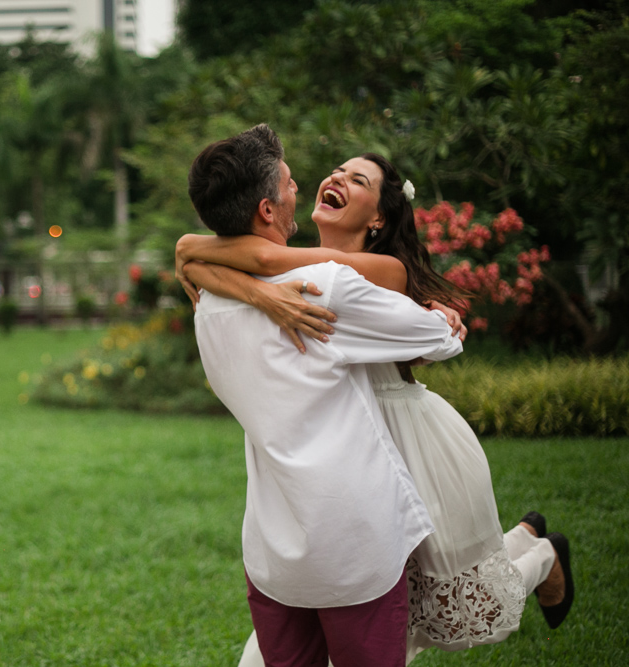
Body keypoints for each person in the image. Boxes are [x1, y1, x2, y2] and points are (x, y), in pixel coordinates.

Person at [176, 149, 574, 665]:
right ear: (268, 209)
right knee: (408, 614)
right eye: (328, 173)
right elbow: (250, 262)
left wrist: (440, 318)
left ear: (380, 215)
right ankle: (528, 537)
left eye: (355, 178)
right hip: (345, 468)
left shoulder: (353, 275)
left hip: (409, 441)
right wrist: (261, 295)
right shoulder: (303, 280)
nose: (330, 178)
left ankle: (541, 554)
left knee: (462, 603)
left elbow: (246, 258)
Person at [186, 123, 469, 667]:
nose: (301, 188)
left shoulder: (206, 303)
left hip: (273, 547)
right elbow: (438, 339)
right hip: (354, 543)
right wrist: (438, 319)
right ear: (268, 210)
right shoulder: (324, 288)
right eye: (290, 184)